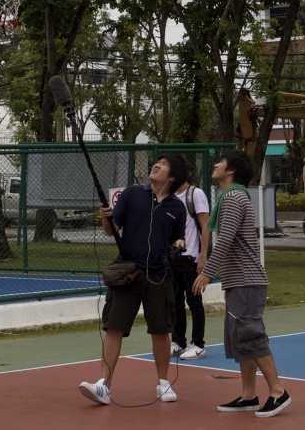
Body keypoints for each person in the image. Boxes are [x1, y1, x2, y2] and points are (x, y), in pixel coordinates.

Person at [78, 154, 188, 406]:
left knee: (161, 330)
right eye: (157, 161)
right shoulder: (132, 194)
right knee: (114, 327)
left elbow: (178, 237)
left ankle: (163, 383)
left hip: (160, 276)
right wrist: (105, 216)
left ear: (173, 176)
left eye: (164, 164)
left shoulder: (177, 208)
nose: (157, 165)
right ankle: (104, 385)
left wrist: (179, 244)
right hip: (127, 273)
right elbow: (110, 230)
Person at [192, 151, 291, 418]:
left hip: (247, 281)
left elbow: (225, 239)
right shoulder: (230, 197)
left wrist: (207, 273)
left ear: (231, 171)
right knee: (241, 340)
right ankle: (249, 396)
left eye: (220, 162)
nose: (215, 165)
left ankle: (278, 391)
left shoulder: (233, 198)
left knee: (251, 336)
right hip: (239, 282)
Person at [171, 172, 210, 360]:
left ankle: (198, 345)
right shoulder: (168, 195)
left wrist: (203, 256)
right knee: (175, 301)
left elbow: (205, 226)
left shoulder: (195, 194)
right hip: (173, 258)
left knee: (194, 301)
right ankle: (178, 341)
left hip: (192, 258)